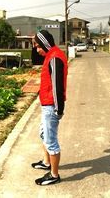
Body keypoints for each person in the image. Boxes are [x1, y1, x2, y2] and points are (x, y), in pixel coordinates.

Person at [30, 29, 67, 186]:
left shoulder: (54, 58)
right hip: (47, 104)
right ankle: (47, 162)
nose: (37, 50)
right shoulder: (50, 55)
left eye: (38, 46)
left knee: (51, 141)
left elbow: (57, 86)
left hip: (52, 106)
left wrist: (59, 109)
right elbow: (34, 59)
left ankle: (54, 174)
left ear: (45, 43)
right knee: (44, 134)